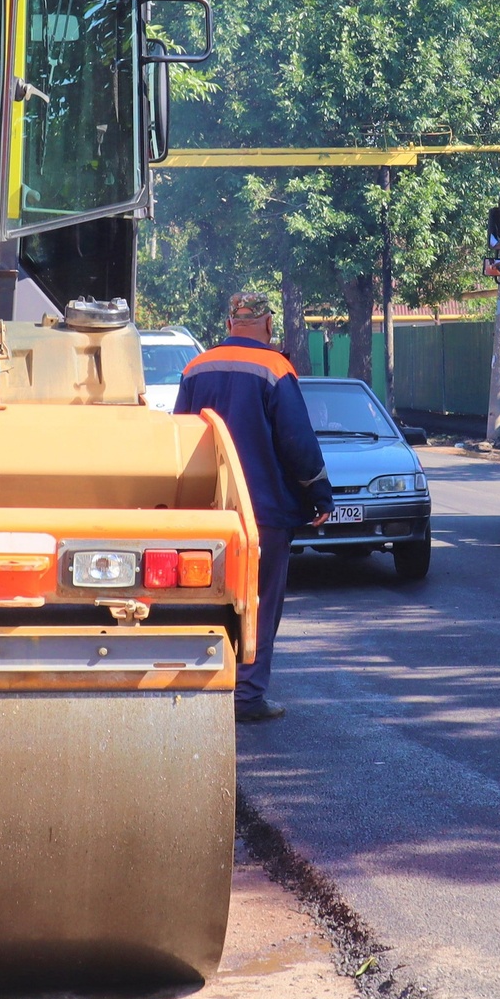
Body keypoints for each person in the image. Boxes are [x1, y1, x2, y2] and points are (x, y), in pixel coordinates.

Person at [174, 293, 332, 723]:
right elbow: (298, 443)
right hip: (264, 515)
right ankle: (246, 697)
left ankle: (201, 690)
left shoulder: (195, 368)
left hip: (209, 514)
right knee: (257, 604)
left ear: (230, 322)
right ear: (265, 323)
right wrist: (320, 495)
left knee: (210, 602)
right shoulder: (276, 369)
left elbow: (181, 440)